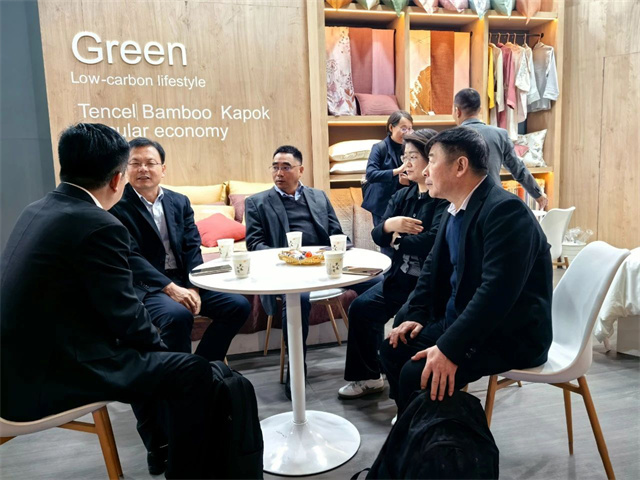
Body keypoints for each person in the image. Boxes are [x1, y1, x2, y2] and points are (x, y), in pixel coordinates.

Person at [1, 123, 220, 478]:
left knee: (153, 359)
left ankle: (163, 447)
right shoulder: (99, 224)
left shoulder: (38, 208)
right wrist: (162, 354)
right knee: (190, 371)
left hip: (16, 365)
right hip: (45, 379)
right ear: (118, 179)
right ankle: (183, 468)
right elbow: (127, 318)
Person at [379, 127, 553, 415]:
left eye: (432, 160)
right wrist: (418, 314)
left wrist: (449, 349)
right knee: (393, 349)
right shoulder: (455, 208)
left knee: (416, 374)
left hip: (507, 334)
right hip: (463, 320)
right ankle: (415, 427)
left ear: (460, 166)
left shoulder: (505, 212)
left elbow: (495, 294)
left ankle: (431, 433)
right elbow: (433, 267)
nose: (425, 171)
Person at [245, 145, 380, 398]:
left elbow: (336, 232)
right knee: (298, 298)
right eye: (275, 167)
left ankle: (371, 365)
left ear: (300, 170)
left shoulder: (318, 196)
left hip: (324, 264)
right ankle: (296, 369)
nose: (279, 173)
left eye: (286, 167)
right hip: (287, 269)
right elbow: (254, 244)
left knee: (377, 283)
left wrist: (342, 247)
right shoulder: (257, 202)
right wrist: (286, 256)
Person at [110, 137, 249, 362]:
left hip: (185, 279)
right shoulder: (116, 206)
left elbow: (191, 246)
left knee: (238, 306)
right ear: (126, 169)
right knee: (178, 316)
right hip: (149, 286)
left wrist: (194, 287)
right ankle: (180, 377)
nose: (143, 169)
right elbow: (131, 257)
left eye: (150, 163)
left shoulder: (179, 201)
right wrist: (170, 288)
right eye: (135, 163)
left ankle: (202, 365)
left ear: (163, 169)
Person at [339, 129, 449, 399]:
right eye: (404, 157)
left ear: (430, 159)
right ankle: (369, 377)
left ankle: (405, 397)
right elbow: (378, 236)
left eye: (413, 157)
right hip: (400, 279)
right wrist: (390, 224)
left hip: (430, 287)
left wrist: (397, 240)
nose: (406, 163)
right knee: (361, 308)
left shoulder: (442, 198)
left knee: (402, 325)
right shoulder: (403, 196)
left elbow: (431, 241)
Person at [452, 88, 548, 210]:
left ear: (457, 111)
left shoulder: (450, 138)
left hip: (462, 204)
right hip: (495, 202)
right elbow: (517, 168)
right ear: (479, 110)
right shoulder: (500, 134)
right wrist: (537, 194)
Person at [361, 110, 414, 256]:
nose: (407, 132)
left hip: (404, 201)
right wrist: (397, 171)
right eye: (403, 128)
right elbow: (371, 174)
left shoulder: (411, 148)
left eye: (410, 128)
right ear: (391, 127)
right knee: (386, 243)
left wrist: (408, 181)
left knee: (402, 243)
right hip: (382, 203)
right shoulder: (379, 147)